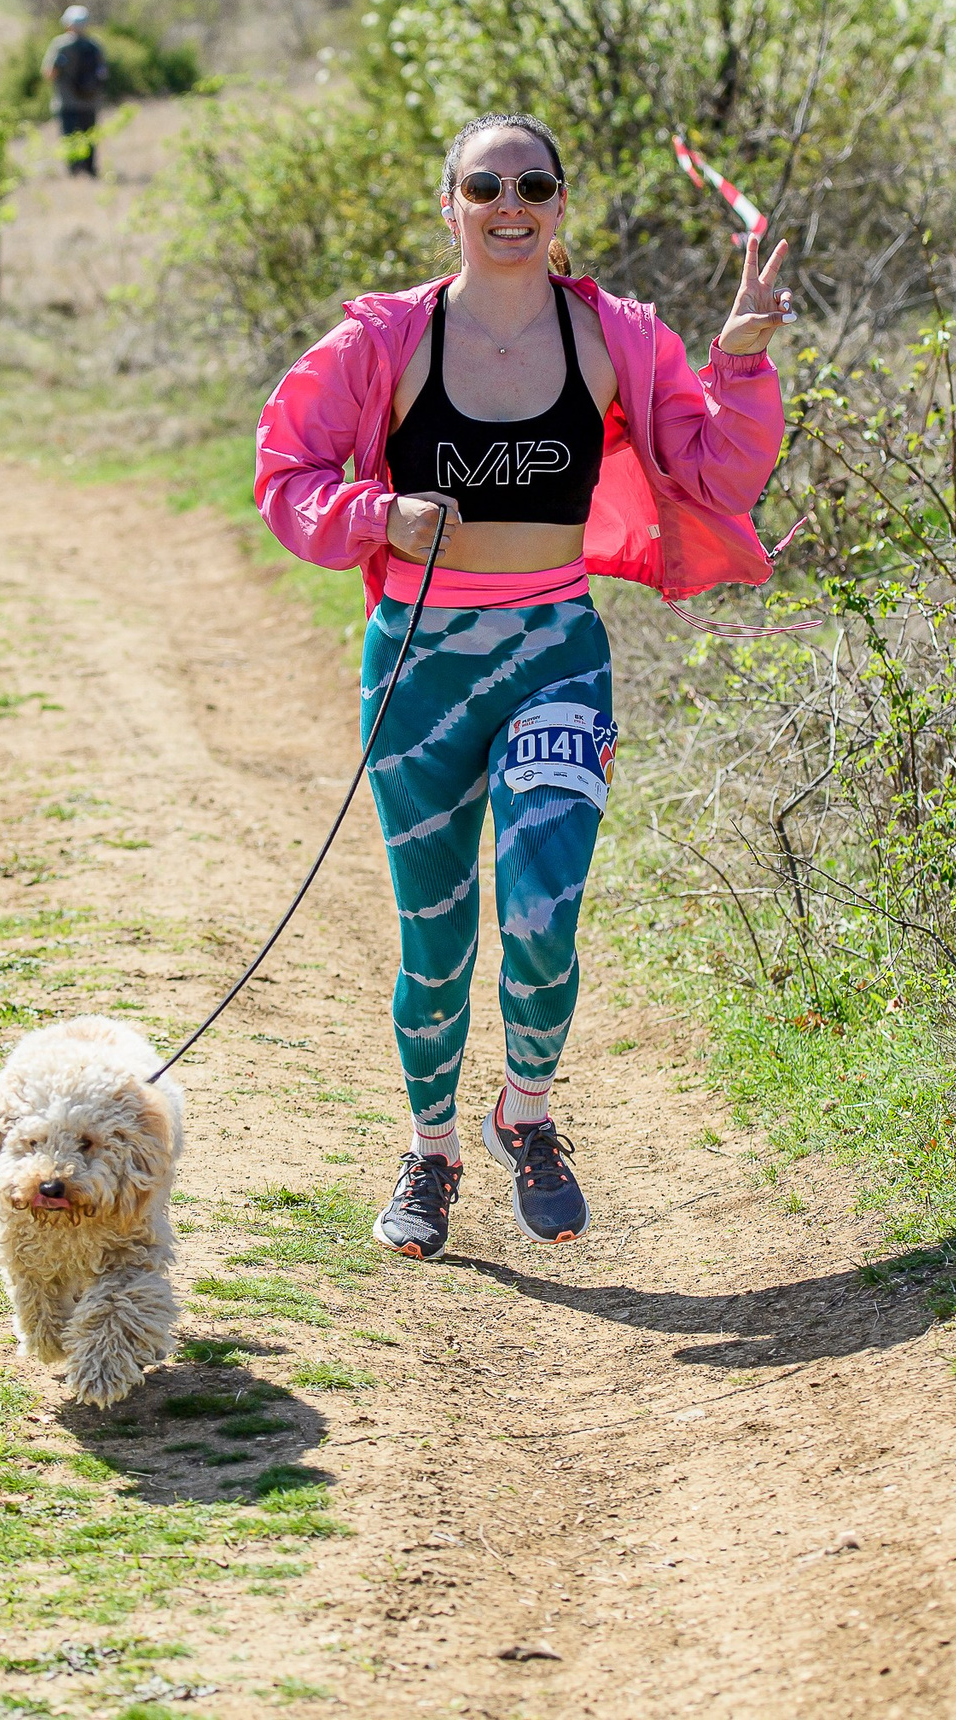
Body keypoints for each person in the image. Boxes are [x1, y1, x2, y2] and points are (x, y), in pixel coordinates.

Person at [255, 113, 795, 1260]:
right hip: (420, 665)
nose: (511, 205)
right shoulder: (382, 342)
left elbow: (718, 467)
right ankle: (433, 1149)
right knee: (435, 934)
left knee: (544, 906)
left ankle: (530, 1115)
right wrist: (376, 514)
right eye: (485, 184)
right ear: (447, 202)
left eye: (534, 185)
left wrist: (738, 362)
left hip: (554, 651)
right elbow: (285, 474)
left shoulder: (615, 337)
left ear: (560, 206)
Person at [41, 6, 107, 178]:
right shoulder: (94, 45)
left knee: (70, 139)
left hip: (67, 102)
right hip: (90, 102)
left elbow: (49, 73)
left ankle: (74, 173)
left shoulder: (60, 45)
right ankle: (90, 170)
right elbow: (103, 73)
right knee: (90, 138)